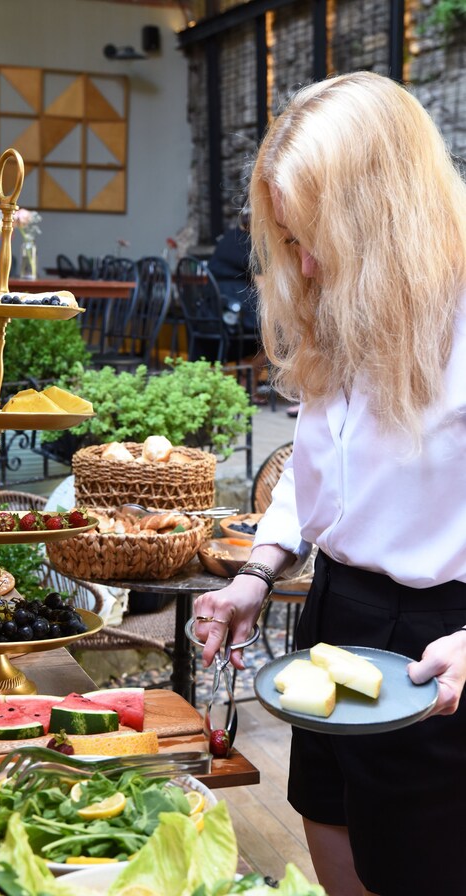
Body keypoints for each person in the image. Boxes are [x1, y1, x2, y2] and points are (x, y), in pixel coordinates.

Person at [193, 71, 466, 896]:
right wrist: (257, 570)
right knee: (329, 814)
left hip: (442, 644)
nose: (302, 261)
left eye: (315, 235)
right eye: (288, 237)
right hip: (336, 609)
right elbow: (314, 471)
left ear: (386, 214)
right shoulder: (336, 299)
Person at [207, 206, 268, 402]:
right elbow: (262, 285)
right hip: (236, 311)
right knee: (282, 331)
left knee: (272, 328)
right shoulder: (253, 244)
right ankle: (250, 376)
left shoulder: (227, 238)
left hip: (212, 311)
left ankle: (247, 371)